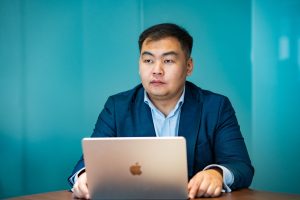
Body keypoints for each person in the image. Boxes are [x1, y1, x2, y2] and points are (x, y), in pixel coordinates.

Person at [68, 23, 254, 199]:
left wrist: (217, 173)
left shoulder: (216, 106)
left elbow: (241, 167)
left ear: (188, 66)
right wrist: (85, 176)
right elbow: (87, 163)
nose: (157, 70)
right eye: (148, 60)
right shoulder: (117, 107)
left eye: (168, 60)